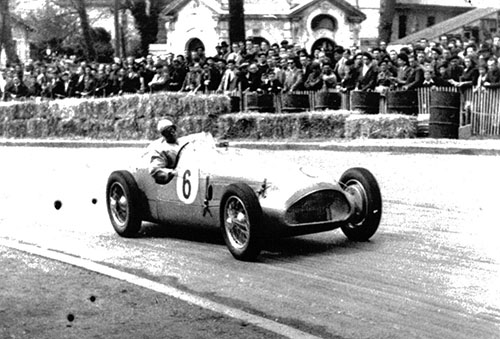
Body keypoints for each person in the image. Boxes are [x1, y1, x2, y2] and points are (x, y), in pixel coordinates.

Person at [148, 119, 182, 185]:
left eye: (173, 129)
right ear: (164, 134)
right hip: (178, 176)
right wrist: (171, 172)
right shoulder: (161, 150)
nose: (172, 132)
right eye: (168, 131)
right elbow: (155, 169)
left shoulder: (184, 142)